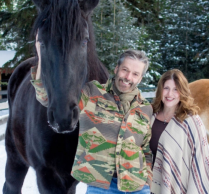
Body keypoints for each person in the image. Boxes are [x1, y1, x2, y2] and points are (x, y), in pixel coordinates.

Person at [31, 34, 153, 194]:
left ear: (140, 78)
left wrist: (148, 178)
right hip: (102, 187)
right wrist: (41, 52)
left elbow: (145, 149)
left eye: (135, 74)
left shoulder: (145, 108)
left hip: (137, 187)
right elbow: (46, 97)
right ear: (117, 69)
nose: (128, 77)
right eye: (125, 70)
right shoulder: (93, 93)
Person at [150, 69, 209, 194]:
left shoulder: (191, 121)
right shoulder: (151, 116)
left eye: (176, 89)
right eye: (166, 88)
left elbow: (200, 158)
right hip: (147, 185)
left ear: (182, 92)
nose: (170, 93)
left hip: (177, 186)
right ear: (160, 90)